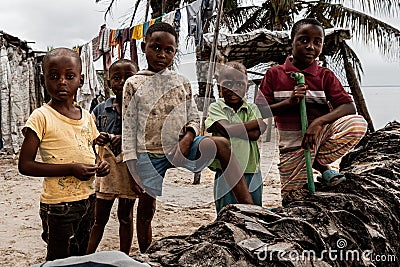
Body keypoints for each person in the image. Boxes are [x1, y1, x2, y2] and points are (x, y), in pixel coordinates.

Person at [122, 22, 254, 253]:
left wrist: (188, 137)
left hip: (181, 147)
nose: (161, 54)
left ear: (175, 52)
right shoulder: (134, 83)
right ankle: (146, 254)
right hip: (149, 153)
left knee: (222, 145)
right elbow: (128, 128)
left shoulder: (181, 82)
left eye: (168, 50)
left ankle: (251, 212)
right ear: (144, 47)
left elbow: (194, 115)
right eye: (156, 47)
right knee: (145, 208)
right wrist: (132, 167)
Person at [255, 18, 368, 197]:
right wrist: (289, 103)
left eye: (317, 42)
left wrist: (318, 123)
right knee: (293, 197)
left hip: (318, 136)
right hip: (292, 146)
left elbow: (348, 106)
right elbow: (260, 110)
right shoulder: (274, 74)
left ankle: (318, 162)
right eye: (304, 40)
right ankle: (321, 168)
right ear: (292, 42)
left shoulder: (324, 76)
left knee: (357, 124)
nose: (310, 47)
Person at [18, 47, 110, 261]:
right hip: (59, 206)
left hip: (88, 199)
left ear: (81, 79)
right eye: (54, 76)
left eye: (69, 76)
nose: (62, 82)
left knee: (81, 254)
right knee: (59, 259)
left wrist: (100, 164)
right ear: (44, 80)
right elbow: (25, 165)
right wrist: (70, 168)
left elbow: (91, 151)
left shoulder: (86, 117)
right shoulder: (41, 117)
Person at [86, 59, 140, 255]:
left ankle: (124, 256)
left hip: (129, 173)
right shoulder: (100, 110)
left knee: (125, 216)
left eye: (129, 77)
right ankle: (88, 255)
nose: (123, 82)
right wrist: (97, 137)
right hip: (106, 172)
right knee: (98, 218)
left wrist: (124, 139)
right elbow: (88, 136)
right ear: (109, 82)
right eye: (116, 78)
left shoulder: (140, 110)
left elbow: (146, 137)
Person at [205, 62, 267, 213]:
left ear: (247, 87)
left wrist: (232, 129)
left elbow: (254, 135)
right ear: (219, 86)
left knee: (254, 213)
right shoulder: (216, 107)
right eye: (228, 83)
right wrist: (256, 123)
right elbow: (228, 129)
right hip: (225, 171)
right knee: (226, 213)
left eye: (239, 83)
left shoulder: (252, 108)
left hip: (251, 170)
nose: (234, 88)